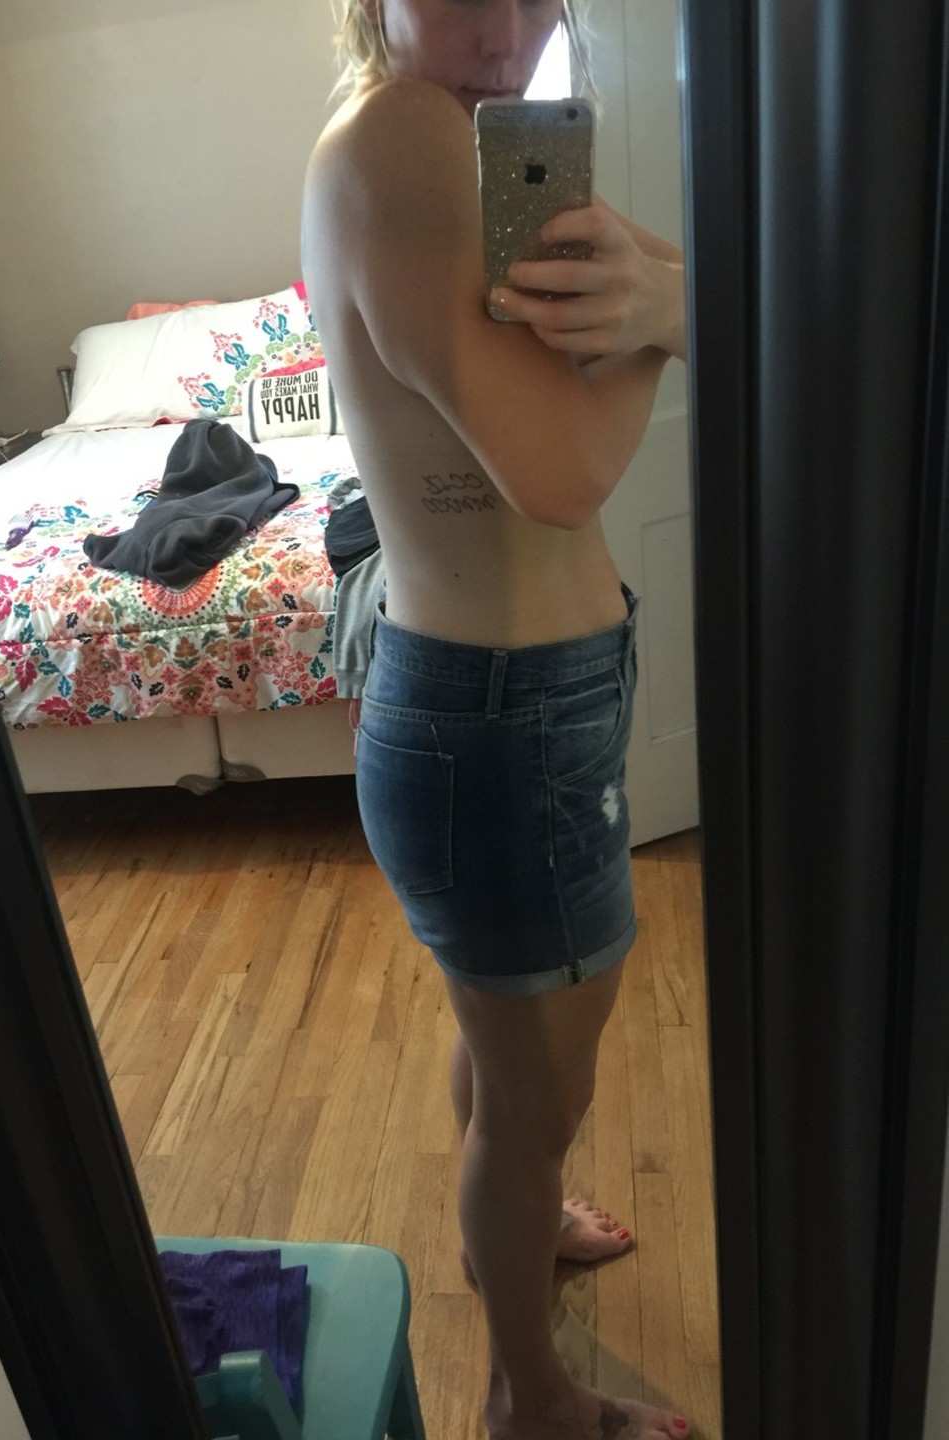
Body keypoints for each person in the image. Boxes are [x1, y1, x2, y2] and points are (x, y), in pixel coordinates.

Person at [303, 3, 689, 1437]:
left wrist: (657, 296)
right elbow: (565, 477)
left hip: (509, 702)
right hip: (504, 717)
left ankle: (507, 1226)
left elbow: (640, 276)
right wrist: (671, 323)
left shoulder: (465, 145)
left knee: (510, 1057)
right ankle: (532, 1395)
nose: (507, 27)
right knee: (542, 1101)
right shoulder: (403, 138)